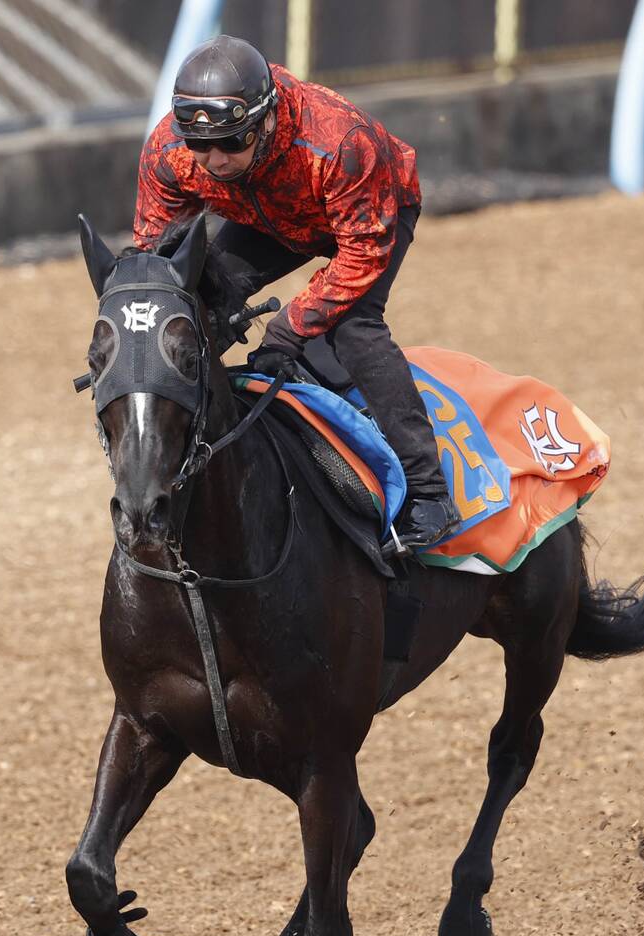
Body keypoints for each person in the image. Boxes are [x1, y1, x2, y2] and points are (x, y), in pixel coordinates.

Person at [133, 34, 460, 553]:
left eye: (231, 142)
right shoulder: (168, 152)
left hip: (369, 215)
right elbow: (158, 263)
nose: (215, 161)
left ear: (265, 120)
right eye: (200, 144)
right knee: (194, 309)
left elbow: (360, 257)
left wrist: (289, 328)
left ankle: (429, 494)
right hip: (268, 217)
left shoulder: (342, 141)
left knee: (353, 328)